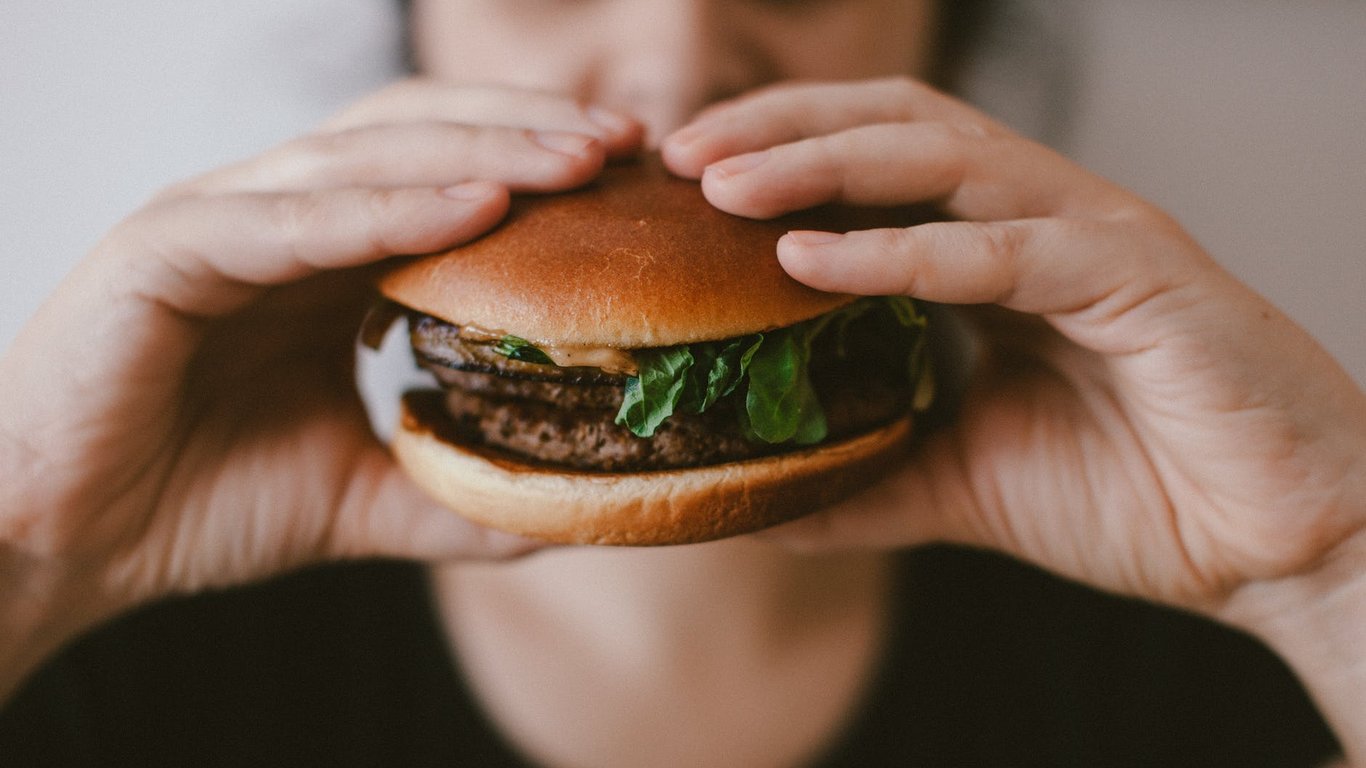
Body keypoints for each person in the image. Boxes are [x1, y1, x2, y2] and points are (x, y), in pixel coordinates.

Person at [1, 0, 1362, 765]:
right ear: (414, 35)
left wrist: (1331, 575)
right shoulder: (121, 653)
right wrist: (30, 555)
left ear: (942, 39)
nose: (673, 64)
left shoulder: (1200, 651)